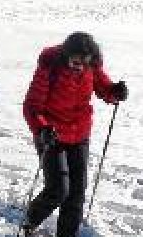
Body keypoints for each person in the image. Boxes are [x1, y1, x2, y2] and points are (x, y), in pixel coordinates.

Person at [20, 32, 126, 236]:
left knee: (77, 192)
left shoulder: (91, 65)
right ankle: (31, 220)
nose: (80, 66)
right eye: (76, 62)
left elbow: (103, 87)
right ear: (66, 55)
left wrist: (115, 92)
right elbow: (32, 106)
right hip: (51, 135)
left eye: (84, 62)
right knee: (58, 189)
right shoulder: (49, 66)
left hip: (79, 134)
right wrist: (42, 128)